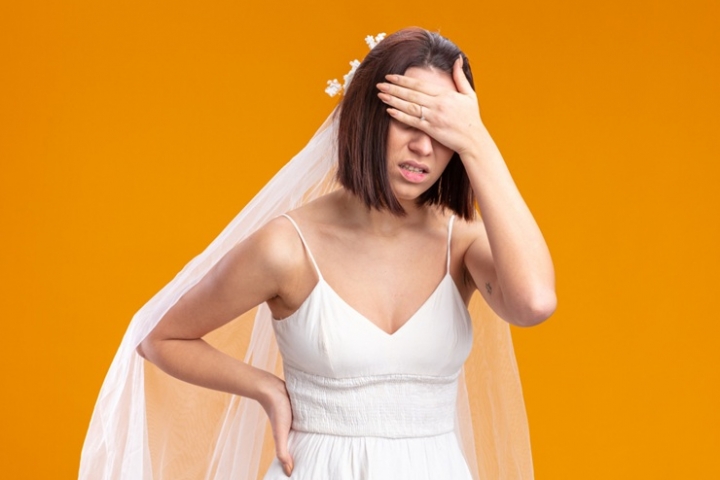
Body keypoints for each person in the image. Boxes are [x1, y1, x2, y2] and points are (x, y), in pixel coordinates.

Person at [80, 27, 555, 480]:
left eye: (443, 127)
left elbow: (534, 303)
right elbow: (160, 337)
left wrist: (478, 142)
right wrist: (266, 388)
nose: (423, 146)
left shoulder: (462, 241)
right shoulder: (287, 247)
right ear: (367, 117)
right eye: (407, 118)